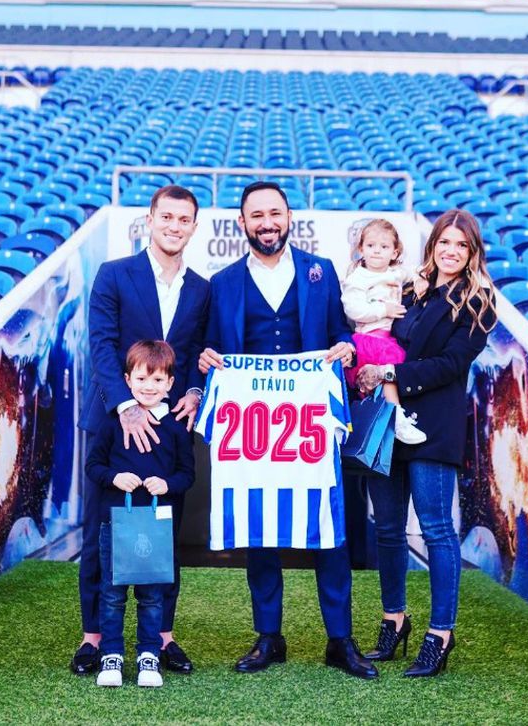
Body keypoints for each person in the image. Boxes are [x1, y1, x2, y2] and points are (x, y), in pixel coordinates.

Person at [199, 180, 377, 680]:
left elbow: (341, 332)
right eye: (257, 215)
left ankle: (340, 639)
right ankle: (268, 637)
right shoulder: (223, 282)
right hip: (254, 430)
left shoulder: (321, 272)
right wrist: (207, 360)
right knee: (260, 531)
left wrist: (346, 348)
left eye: (274, 213)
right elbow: (210, 347)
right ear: (242, 222)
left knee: (330, 530)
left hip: (310, 423)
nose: (267, 223)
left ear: (289, 217)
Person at [74, 184, 210, 676]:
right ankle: (93, 638)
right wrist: (127, 406)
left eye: (183, 219)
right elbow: (101, 344)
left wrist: (193, 391)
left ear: (194, 227)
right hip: (114, 422)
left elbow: (197, 353)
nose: (174, 226)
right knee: (102, 535)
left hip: (170, 428)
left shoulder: (201, 288)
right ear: (149, 221)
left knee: (164, 534)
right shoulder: (114, 274)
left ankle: (163, 637)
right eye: (166, 217)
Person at [356, 209, 496, 678]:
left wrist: (390, 373)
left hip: (434, 426)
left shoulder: (479, 302)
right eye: (444, 242)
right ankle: (394, 620)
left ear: (472, 253)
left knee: (436, 529)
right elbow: (382, 339)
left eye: (461, 245)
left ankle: (440, 633)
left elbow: (451, 364)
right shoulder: (411, 291)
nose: (451, 251)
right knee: (387, 528)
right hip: (388, 423)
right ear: (432, 246)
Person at [86, 340, 195, 688]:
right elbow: (93, 466)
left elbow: (187, 475)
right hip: (115, 523)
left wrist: (167, 484)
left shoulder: (176, 427)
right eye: (142, 379)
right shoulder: (112, 422)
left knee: (152, 595)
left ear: (170, 383)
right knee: (112, 593)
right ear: (127, 380)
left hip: (156, 526)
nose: (149, 387)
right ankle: (112, 655)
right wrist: (114, 478)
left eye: (158, 380)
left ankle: (149, 655)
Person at [340, 218, 425, 445]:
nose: (377, 251)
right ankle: (397, 419)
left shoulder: (395, 273)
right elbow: (353, 308)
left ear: (394, 252)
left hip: (387, 339)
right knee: (384, 380)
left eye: (384, 246)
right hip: (368, 339)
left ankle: (390, 419)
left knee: (388, 378)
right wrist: (383, 310)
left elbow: (415, 272)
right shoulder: (358, 278)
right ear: (361, 249)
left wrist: (420, 279)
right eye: (371, 245)